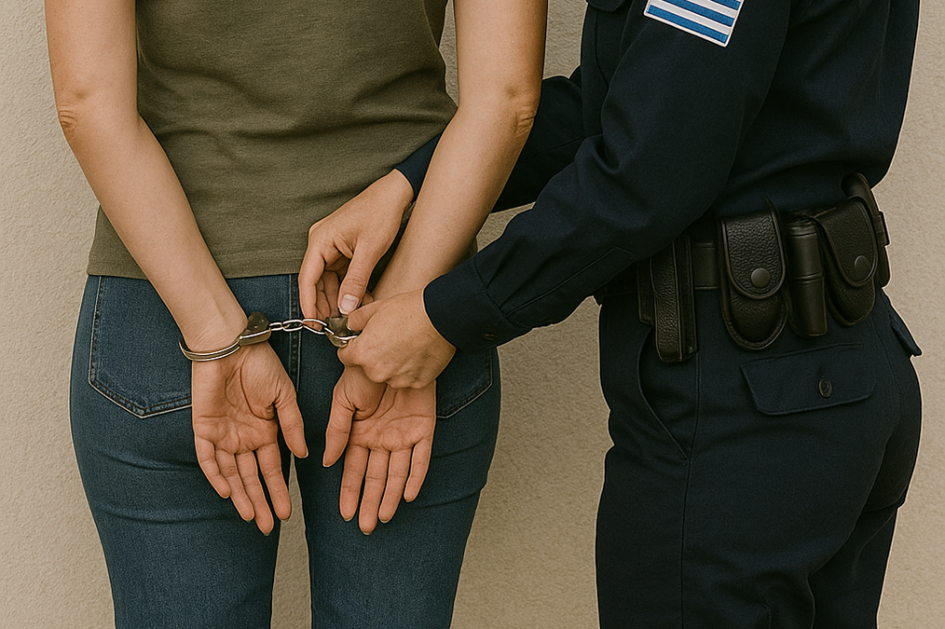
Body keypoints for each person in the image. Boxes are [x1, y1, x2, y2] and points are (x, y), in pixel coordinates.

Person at [317, 0, 924, 626]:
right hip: (835, 375)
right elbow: (624, 106)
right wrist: (410, 183)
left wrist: (446, 316)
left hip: (742, 408)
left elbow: (646, 172)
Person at [47, 0, 545, 625]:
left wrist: (212, 328)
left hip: (171, 317)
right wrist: (406, 303)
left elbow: (88, 102)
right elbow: (507, 99)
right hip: (402, 308)